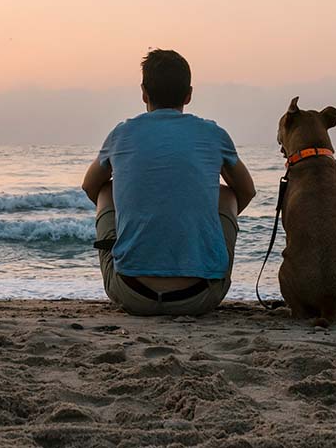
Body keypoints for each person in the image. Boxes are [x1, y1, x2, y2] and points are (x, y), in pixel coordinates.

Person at [82, 49, 255, 315]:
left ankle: (131, 256)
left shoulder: (122, 133)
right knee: (227, 194)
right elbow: (247, 190)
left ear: (144, 93)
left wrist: (132, 210)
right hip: (201, 296)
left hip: (131, 293)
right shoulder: (213, 134)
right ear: (189, 94)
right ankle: (204, 259)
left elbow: (89, 186)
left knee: (107, 188)